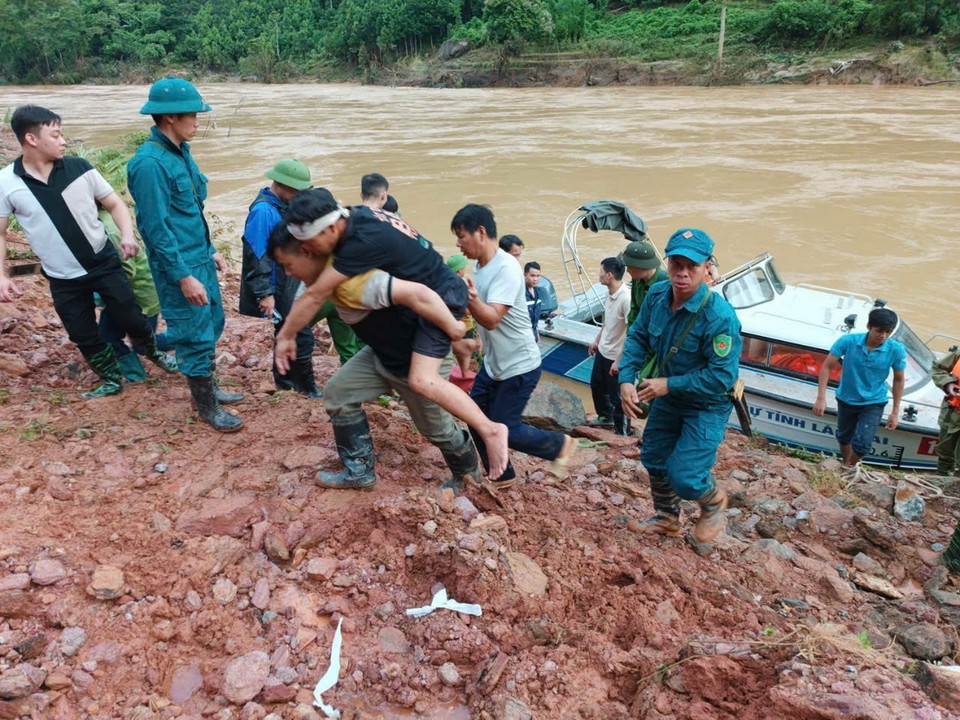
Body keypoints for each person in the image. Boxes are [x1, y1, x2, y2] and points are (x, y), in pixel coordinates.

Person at [273, 188, 510, 481]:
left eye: (305, 248)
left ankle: (474, 465)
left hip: (432, 317)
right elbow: (311, 297)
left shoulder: (353, 268)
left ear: (331, 229)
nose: (304, 252)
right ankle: (358, 472)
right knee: (338, 392)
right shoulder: (354, 219)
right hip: (385, 352)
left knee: (434, 419)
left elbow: (419, 294)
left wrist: (454, 328)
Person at [0, 104, 176, 398]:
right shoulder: (7, 183)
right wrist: (3, 275)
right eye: (55, 135)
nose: (63, 141)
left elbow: (115, 204)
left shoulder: (80, 168)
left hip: (103, 263)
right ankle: (111, 378)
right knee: (81, 333)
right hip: (62, 277)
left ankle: (152, 351)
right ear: (31, 139)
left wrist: (128, 236)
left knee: (132, 317)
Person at [127, 78, 244, 432]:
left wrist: (210, 250)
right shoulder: (149, 165)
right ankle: (205, 406)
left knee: (212, 324)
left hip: (199, 258)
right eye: (192, 115)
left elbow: (191, 210)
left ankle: (208, 389)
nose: (198, 121)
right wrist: (183, 275)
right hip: (178, 266)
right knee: (193, 334)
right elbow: (155, 230)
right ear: (170, 118)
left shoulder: (181, 152)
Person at [619, 228, 741, 544]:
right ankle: (666, 518)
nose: (682, 274)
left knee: (686, 477)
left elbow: (721, 377)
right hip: (669, 397)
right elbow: (638, 336)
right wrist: (625, 379)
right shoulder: (657, 296)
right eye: (676, 264)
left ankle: (713, 503)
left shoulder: (719, 318)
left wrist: (668, 384)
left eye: (692, 266)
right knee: (655, 458)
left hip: (707, 404)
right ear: (668, 263)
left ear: (707, 269)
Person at [453, 204, 577, 490]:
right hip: (494, 364)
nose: (459, 243)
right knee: (476, 419)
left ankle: (561, 445)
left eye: (462, 236)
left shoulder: (507, 268)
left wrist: (470, 299)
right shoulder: (478, 266)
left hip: (519, 365)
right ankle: (502, 475)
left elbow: (493, 318)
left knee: (506, 428)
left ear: (480, 232)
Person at [239, 158, 358, 396]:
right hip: (277, 286)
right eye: (295, 190)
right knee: (300, 335)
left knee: (291, 331)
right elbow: (257, 256)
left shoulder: (282, 208)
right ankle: (305, 387)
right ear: (280, 184)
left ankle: (286, 384)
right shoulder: (263, 212)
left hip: (290, 283)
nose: (297, 196)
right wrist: (265, 293)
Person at [813, 307, 905, 467]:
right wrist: (821, 398)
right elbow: (827, 366)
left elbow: (898, 380)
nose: (883, 336)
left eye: (888, 332)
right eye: (879, 331)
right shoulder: (848, 341)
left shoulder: (895, 350)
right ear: (869, 326)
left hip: (874, 401)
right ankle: (846, 464)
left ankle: (849, 468)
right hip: (846, 398)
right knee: (843, 437)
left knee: (863, 444)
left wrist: (895, 412)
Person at [95, 208, 171, 382]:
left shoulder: (108, 231)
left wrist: (97, 294)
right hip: (118, 297)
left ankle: (184, 338)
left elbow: (126, 272)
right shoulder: (97, 222)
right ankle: (135, 376)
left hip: (139, 297)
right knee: (107, 337)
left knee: (143, 345)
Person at [588, 257, 631, 435]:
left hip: (615, 355)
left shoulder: (625, 299)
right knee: (596, 385)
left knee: (618, 397)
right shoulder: (609, 292)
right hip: (604, 350)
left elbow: (631, 332)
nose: (599, 275)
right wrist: (597, 340)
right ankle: (606, 417)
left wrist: (619, 361)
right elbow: (607, 321)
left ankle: (623, 432)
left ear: (609, 275)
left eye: (601, 272)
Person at [447, 253, 481, 377]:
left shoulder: (446, 283)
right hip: (465, 327)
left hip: (452, 326)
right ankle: (467, 378)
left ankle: (460, 375)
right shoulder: (462, 285)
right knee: (470, 357)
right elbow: (466, 310)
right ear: (460, 269)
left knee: (456, 354)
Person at [622, 240, 668, 327]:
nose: (627, 270)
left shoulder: (667, 282)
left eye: (630, 267)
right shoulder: (637, 279)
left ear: (642, 266)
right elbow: (634, 310)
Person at [932, 347, 960, 476]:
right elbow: (938, 368)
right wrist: (948, 384)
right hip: (952, 413)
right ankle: (940, 484)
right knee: (944, 456)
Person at [523, 261, 543, 341]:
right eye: (532, 276)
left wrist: (536, 332)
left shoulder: (538, 292)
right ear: (525, 274)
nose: (535, 279)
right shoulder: (520, 293)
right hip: (522, 334)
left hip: (533, 332)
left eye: (538, 276)